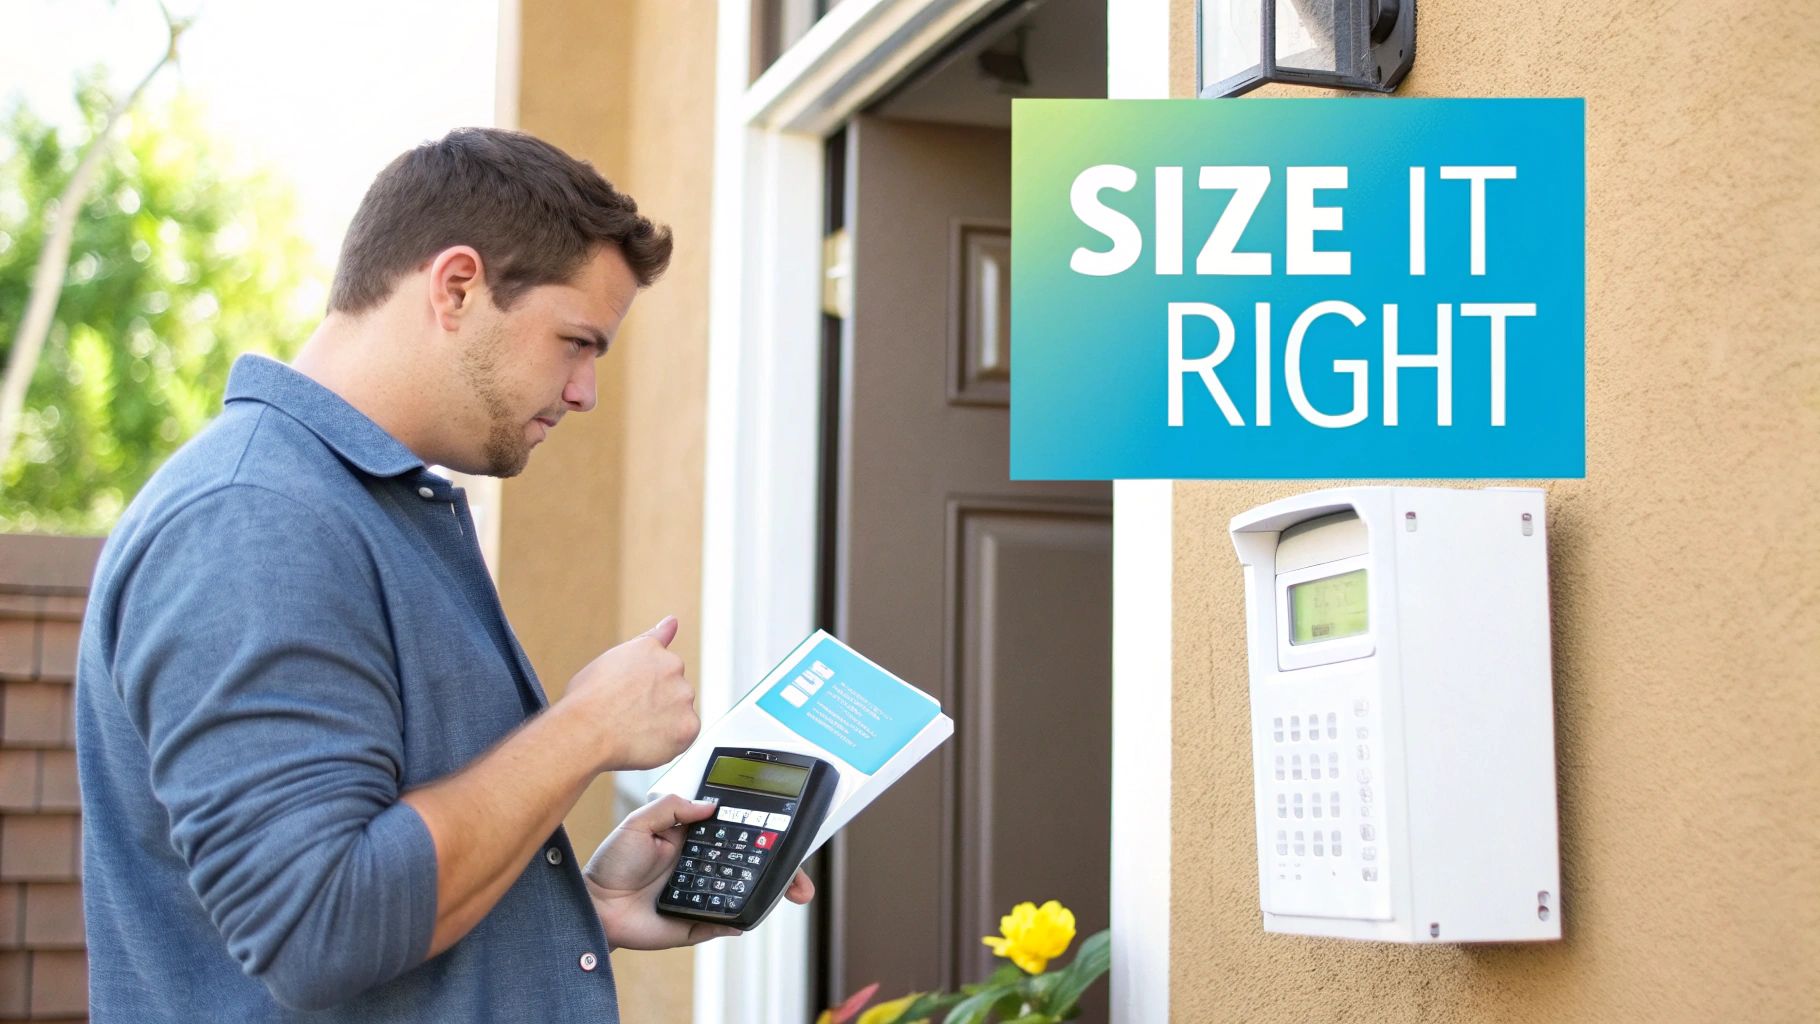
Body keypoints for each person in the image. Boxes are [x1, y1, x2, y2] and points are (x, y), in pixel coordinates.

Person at [73, 127, 809, 1022]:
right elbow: (318, 927)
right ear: (457, 286)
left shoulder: (354, 506)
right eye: (576, 342)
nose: (585, 392)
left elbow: (373, 897)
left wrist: (579, 909)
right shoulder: (254, 518)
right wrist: (586, 728)